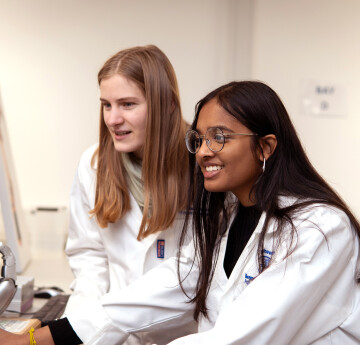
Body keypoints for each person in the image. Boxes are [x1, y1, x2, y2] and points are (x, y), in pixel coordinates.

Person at [2, 80, 360, 344]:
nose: (203, 151)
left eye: (219, 137)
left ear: (265, 147)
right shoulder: (232, 217)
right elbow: (158, 291)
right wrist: (38, 339)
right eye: (200, 139)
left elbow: (241, 336)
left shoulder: (320, 228)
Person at [0, 44, 196, 345]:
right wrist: (79, 333)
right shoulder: (94, 165)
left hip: (182, 335)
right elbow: (89, 259)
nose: (113, 119)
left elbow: (188, 279)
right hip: (110, 336)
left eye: (127, 104)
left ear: (167, 104)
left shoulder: (202, 167)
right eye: (107, 104)